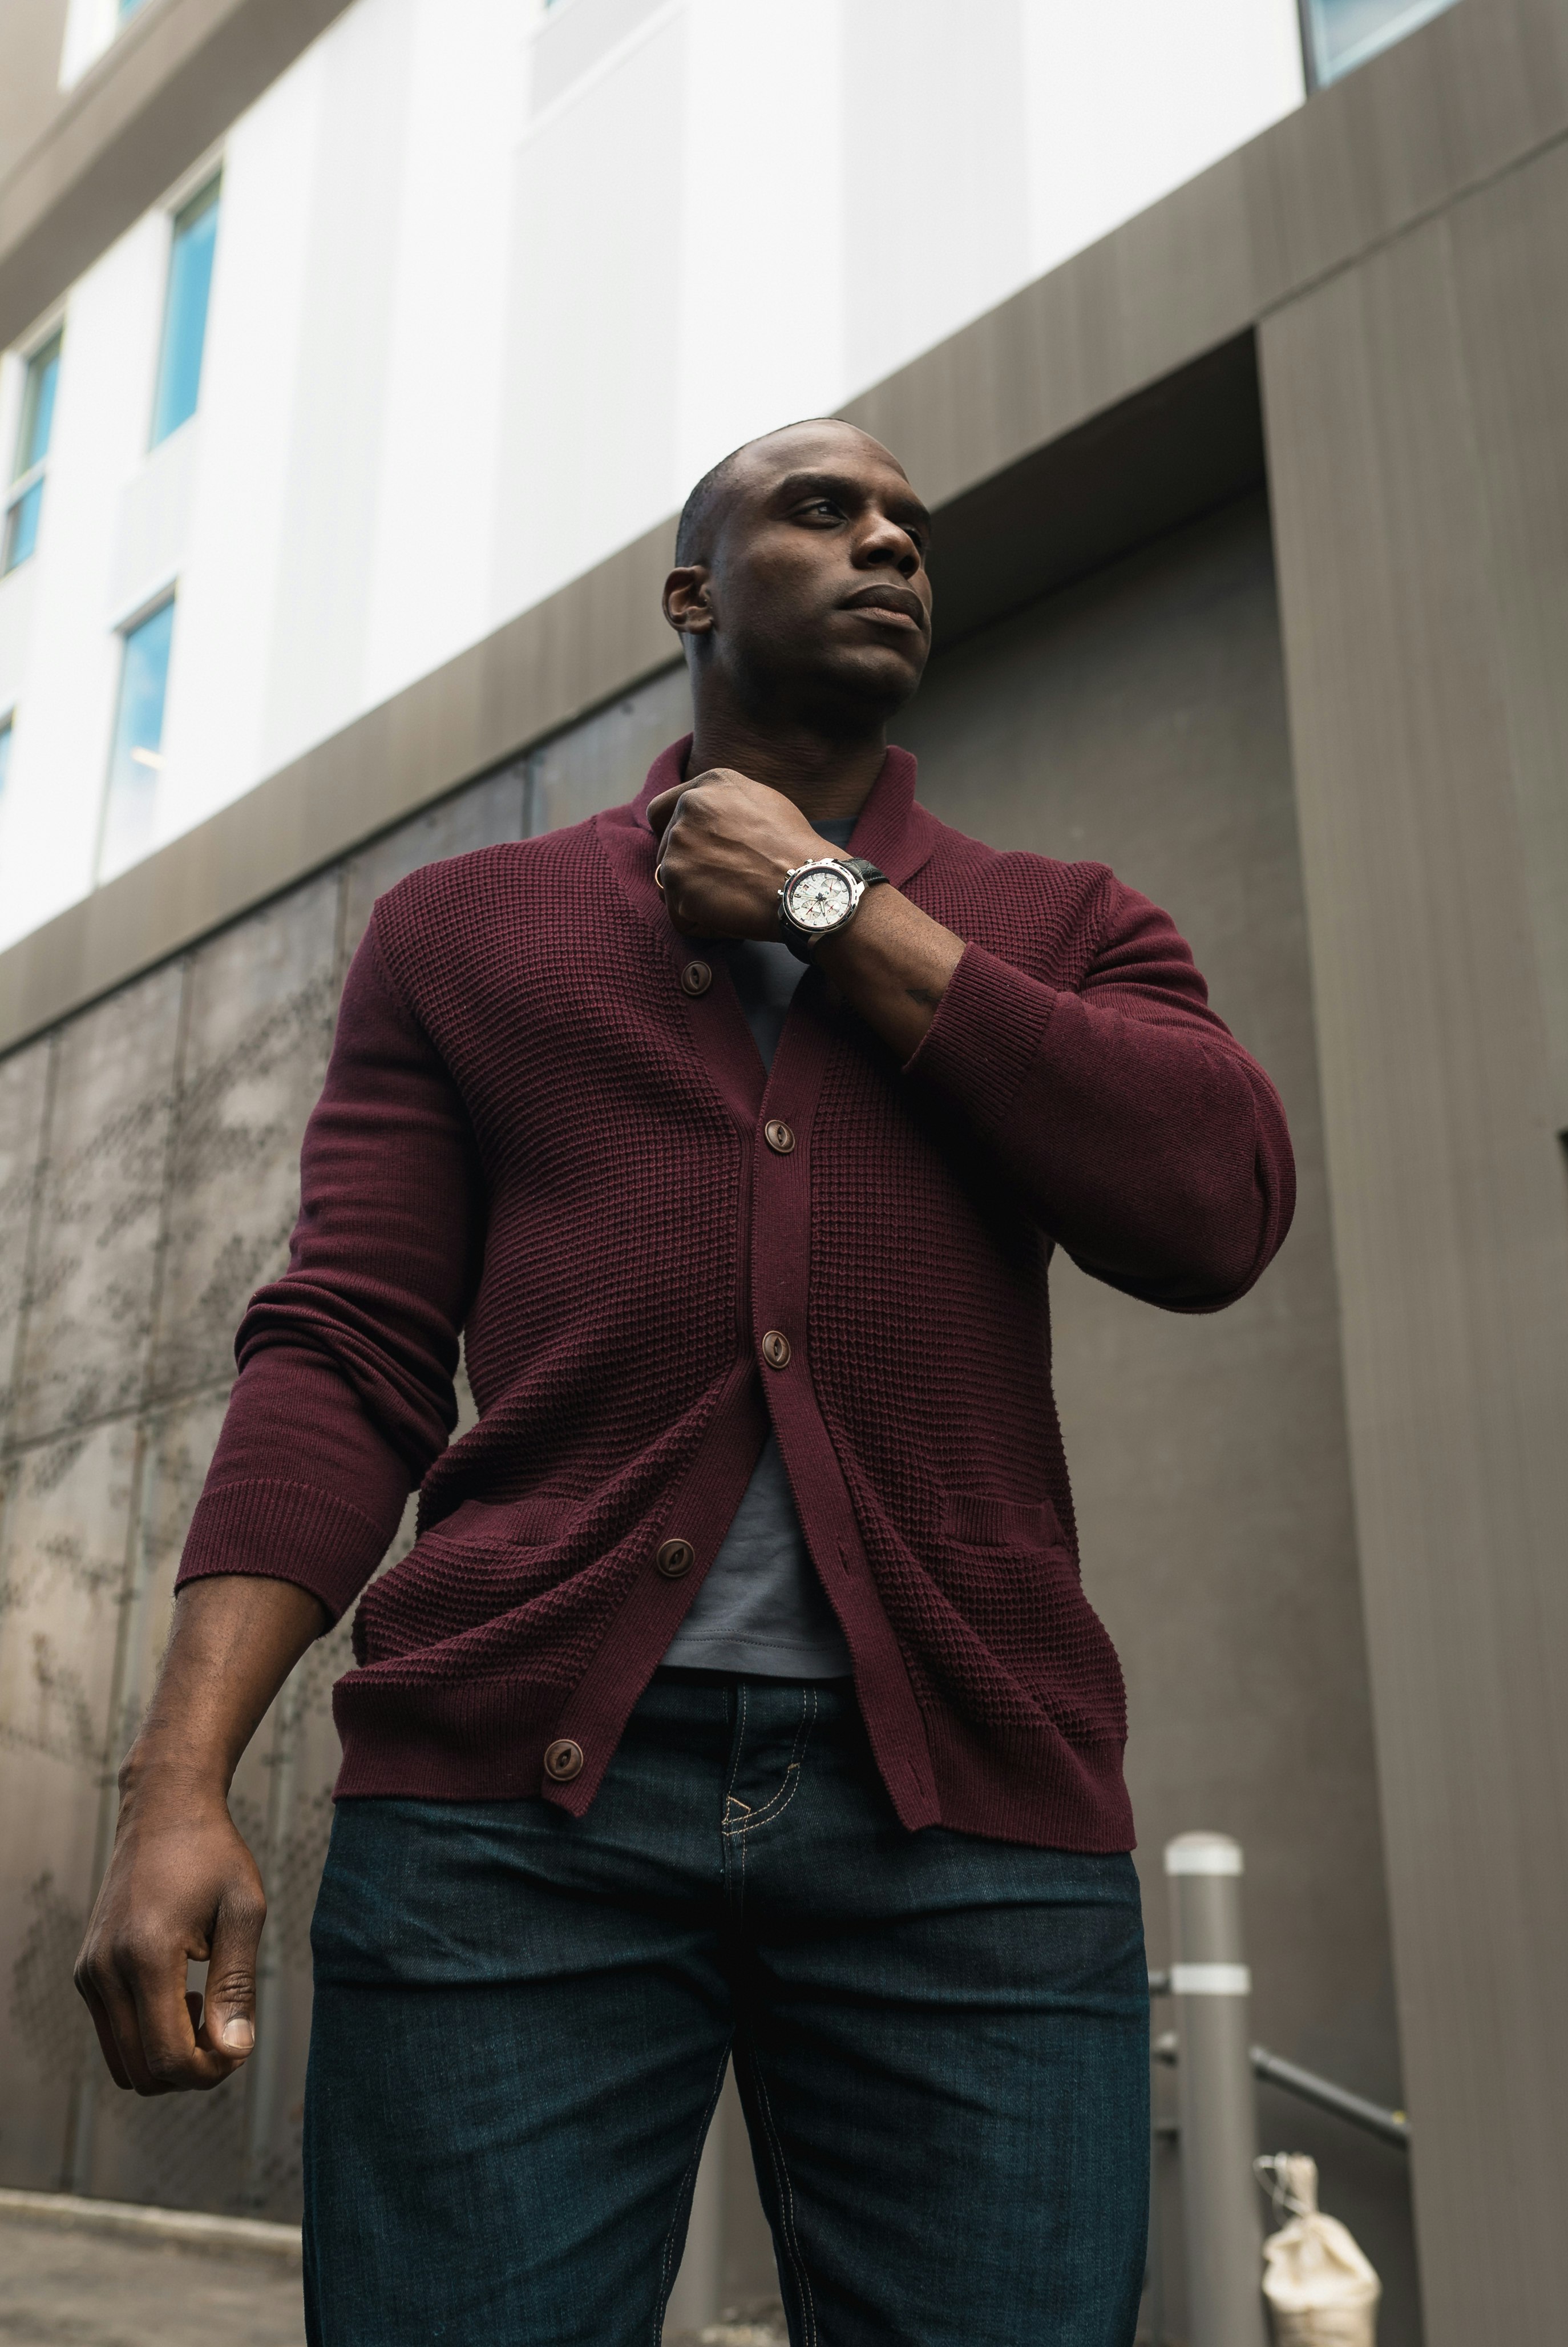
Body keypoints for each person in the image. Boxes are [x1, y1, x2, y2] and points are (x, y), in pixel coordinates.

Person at [74, 418, 1294, 2345]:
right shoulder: (462, 934)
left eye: (911, 522)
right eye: (824, 508)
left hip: (970, 1825)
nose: (889, 538)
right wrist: (177, 1781)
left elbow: (1217, 1206)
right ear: (693, 593)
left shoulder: (1068, 926)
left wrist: (829, 906)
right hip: (503, 1828)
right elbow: (348, 1345)